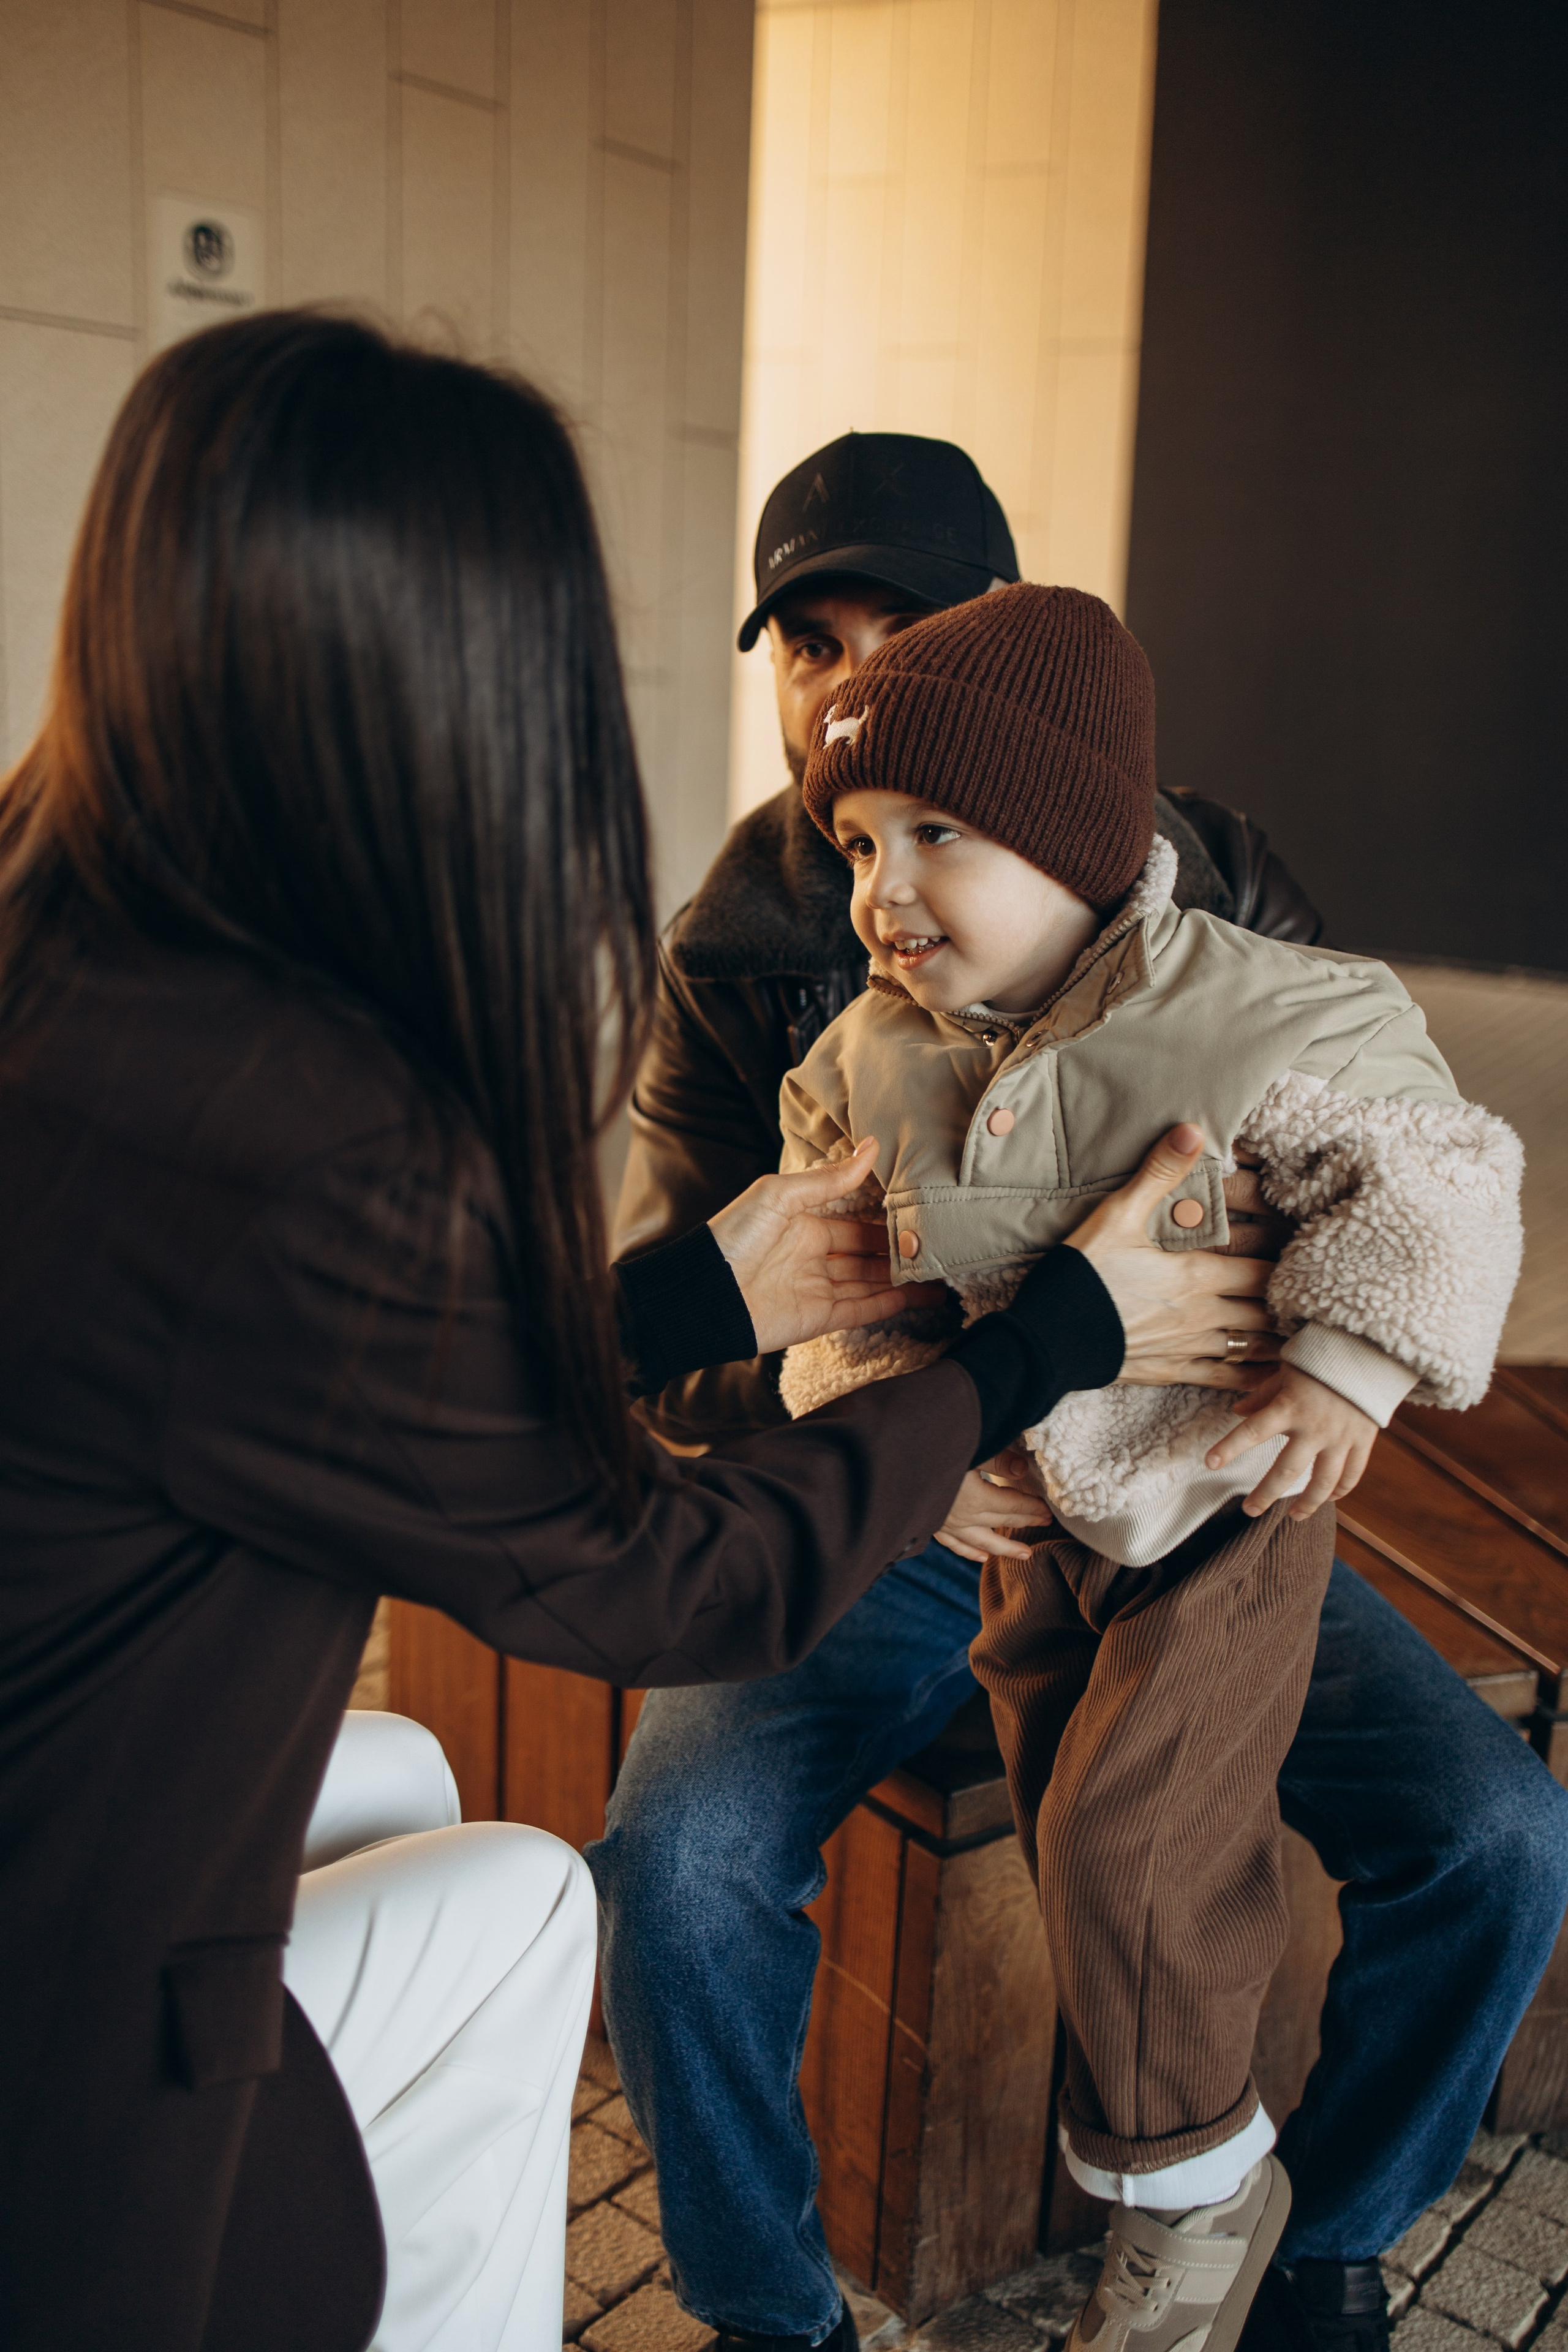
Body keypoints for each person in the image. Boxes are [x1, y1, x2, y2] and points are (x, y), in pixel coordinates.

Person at [0, 315, 1258, 2352]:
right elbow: (679, 1578)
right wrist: (1060, 1338)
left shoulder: (62, 942)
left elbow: (311, 1386)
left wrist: (701, 1285)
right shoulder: (314, 1124)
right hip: (56, 2065)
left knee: (409, 1770)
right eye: (809, 645)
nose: (854, 701)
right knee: (569, 1891)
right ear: (479, 691)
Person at [591, 431, 1568, 2352]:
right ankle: (764, 2316)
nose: (836, 697)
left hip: (1177, 1490)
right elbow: (689, 1341)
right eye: (804, 640)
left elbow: (1377, 1158)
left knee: (1499, 1833)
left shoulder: (1214, 894)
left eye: (899, 630)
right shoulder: (753, 951)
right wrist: (882, 1427)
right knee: (681, 1851)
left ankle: (1319, 2247)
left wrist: (1315, 1355)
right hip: (901, 1512)